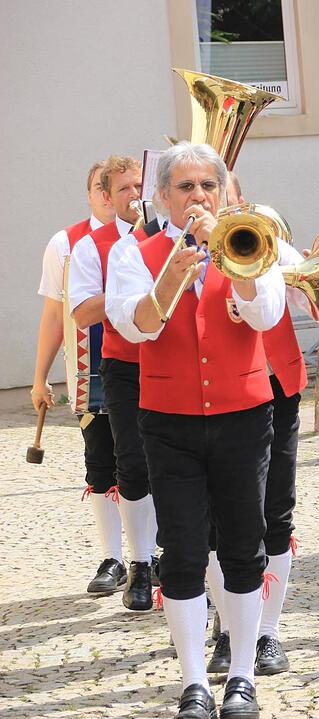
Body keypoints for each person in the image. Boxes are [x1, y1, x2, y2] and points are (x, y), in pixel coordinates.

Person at [108, 141, 285, 719]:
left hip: (243, 415)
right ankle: (193, 684)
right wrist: (171, 275)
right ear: (162, 197)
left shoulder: (252, 242)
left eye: (209, 185)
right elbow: (136, 326)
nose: (198, 197)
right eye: (185, 187)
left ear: (224, 191)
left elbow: (267, 314)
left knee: (243, 546)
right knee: (182, 550)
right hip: (170, 421)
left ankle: (241, 678)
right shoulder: (135, 253)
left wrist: (230, 260)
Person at [204, 171, 319, 679]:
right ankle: (227, 626)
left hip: (276, 386)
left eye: (223, 196)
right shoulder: (188, 253)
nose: (216, 205)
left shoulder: (267, 241)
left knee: (275, 512)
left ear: (239, 200)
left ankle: (267, 632)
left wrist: (314, 275)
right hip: (219, 393)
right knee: (217, 518)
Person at [69, 155, 157, 611]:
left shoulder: (169, 235)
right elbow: (81, 312)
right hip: (124, 365)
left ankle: (171, 557)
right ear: (107, 196)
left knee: (178, 462)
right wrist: (128, 290)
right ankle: (138, 564)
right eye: (123, 189)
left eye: (139, 186)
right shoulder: (92, 245)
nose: (134, 195)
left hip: (173, 361)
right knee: (132, 464)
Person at [32, 160, 123, 595]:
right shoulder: (65, 243)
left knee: (152, 463)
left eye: (114, 186)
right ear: (90, 194)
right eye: (98, 187)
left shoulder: (149, 236)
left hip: (148, 369)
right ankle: (113, 557)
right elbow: (53, 314)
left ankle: (156, 554)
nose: (107, 195)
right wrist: (39, 377)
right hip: (91, 372)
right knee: (101, 462)